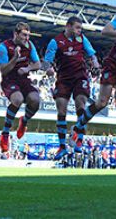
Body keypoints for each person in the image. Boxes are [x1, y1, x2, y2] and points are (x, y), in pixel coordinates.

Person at [42, 16, 99, 160]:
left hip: (80, 77)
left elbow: (92, 54)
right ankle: (62, 147)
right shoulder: (56, 41)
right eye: (77, 28)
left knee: (81, 104)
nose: (80, 31)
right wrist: (48, 69)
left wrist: (95, 62)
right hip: (63, 79)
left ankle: (78, 138)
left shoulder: (82, 39)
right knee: (61, 109)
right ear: (68, 26)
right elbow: (46, 62)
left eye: (81, 28)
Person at [0, 22, 41, 153]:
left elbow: (38, 64)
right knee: (17, 99)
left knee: (35, 100)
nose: (26, 38)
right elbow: (3, 70)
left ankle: (24, 121)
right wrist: (15, 59)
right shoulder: (4, 46)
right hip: (9, 79)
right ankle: (5, 134)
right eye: (24, 35)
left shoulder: (29, 45)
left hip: (23, 79)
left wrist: (27, 68)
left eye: (28, 35)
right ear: (15, 34)